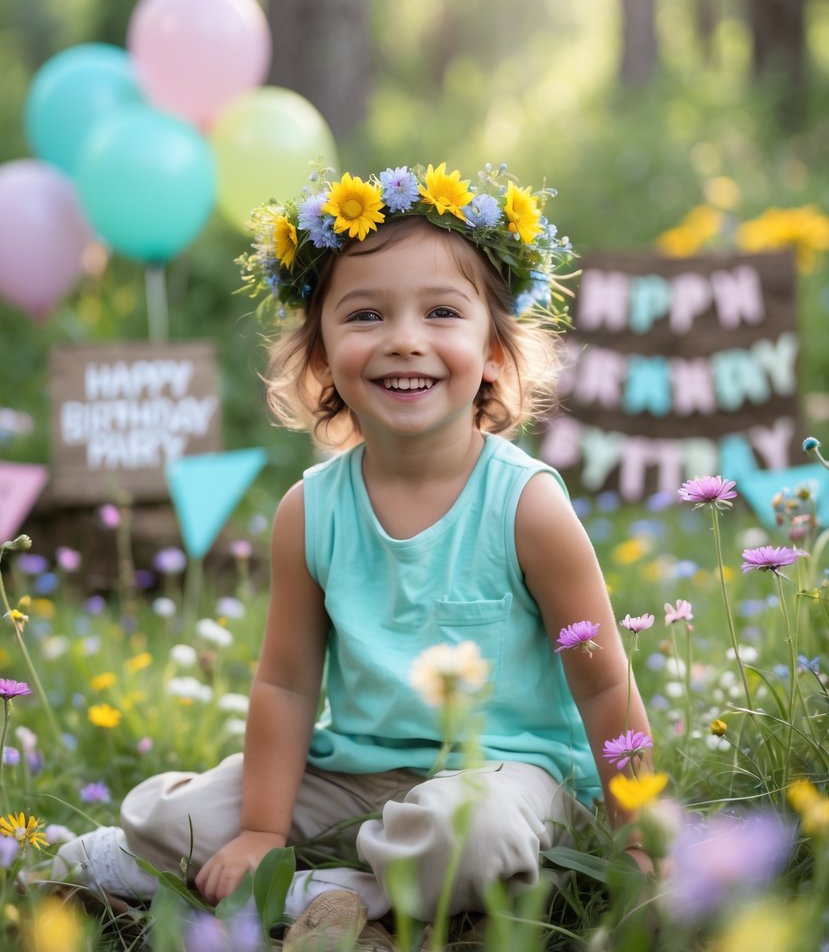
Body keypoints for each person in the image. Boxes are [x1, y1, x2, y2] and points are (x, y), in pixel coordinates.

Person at [53, 162, 654, 948]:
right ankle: (316, 886)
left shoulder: (526, 505)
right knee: (173, 817)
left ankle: (331, 891)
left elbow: (605, 683)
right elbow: (286, 682)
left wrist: (641, 839)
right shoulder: (311, 509)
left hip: (508, 774)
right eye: (365, 315)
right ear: (320, 356)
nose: (405, 340)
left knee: (464, 838)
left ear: (495, 352)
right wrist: (263, 829)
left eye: (442, 312)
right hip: (353, 772)